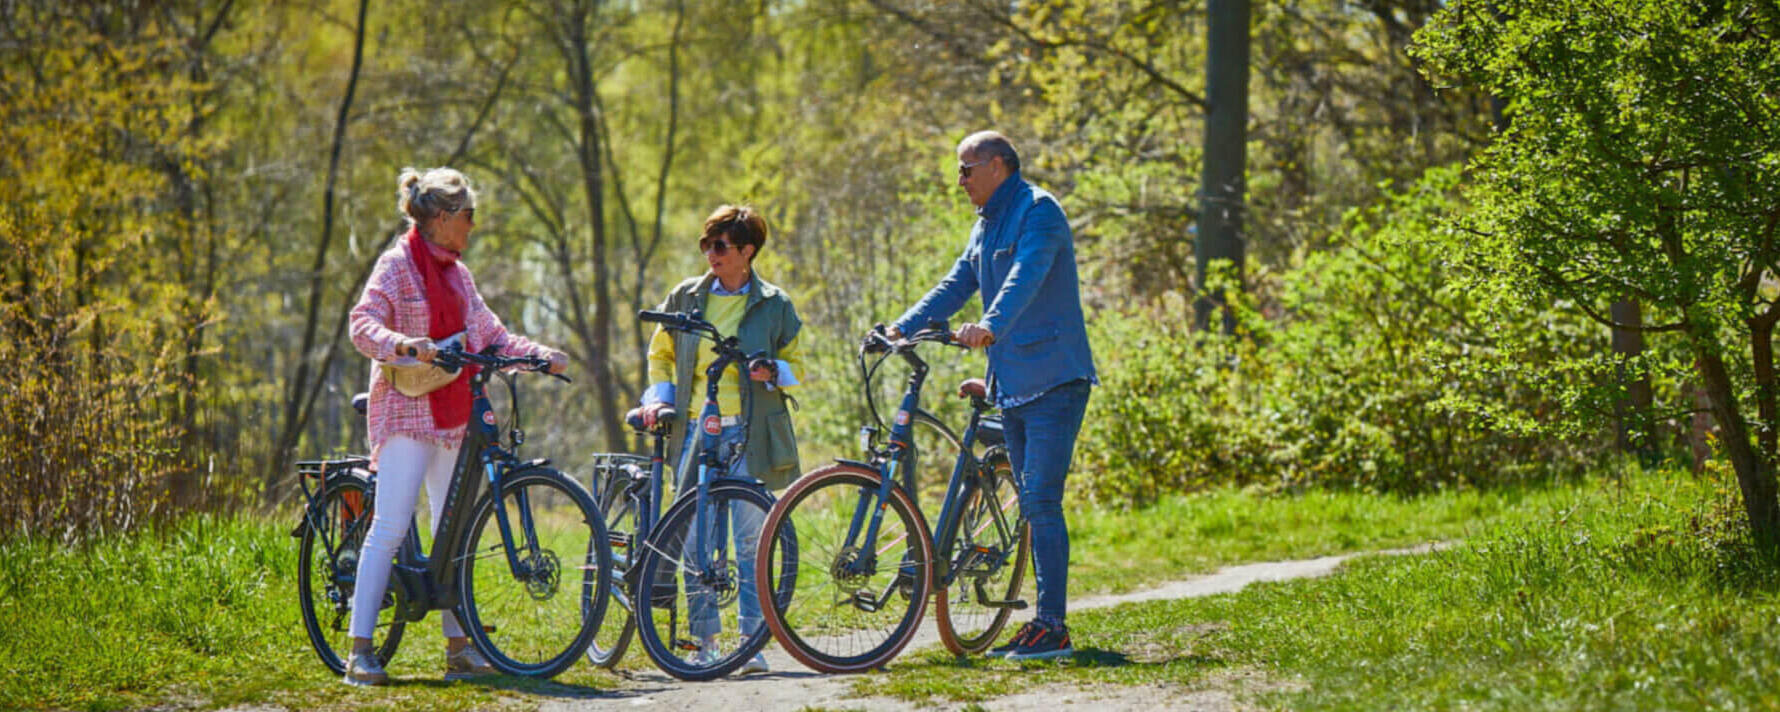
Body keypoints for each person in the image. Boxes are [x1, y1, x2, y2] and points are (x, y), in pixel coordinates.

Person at [342, 167, 569, 686]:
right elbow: (363, 323)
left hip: (453, 414)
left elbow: (492, 335)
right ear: (443, 218)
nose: (473, 225)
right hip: (406, 410)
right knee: (392, 525)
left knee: (455, 532)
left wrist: (539, 356)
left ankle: (458, 649)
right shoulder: (397, 265)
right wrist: (401, 344)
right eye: (469, 215)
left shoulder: (458, 274)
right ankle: (359, 650)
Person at [889, 131, 1096, 662]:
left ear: (999, 166)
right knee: (1030, 503)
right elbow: (956, 283)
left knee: (1041, 501)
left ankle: (1052, 627)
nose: (959, 180)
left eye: (966, 169)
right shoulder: (984, 224)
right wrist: (899, 328)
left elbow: (1024, 278)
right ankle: (1038, 624)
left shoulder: (1038, 211)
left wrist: (989, 325)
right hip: (1013, 382)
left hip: (1054, 379)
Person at [634, 204, 805, 675]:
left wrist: (774, 371)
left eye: (721, 246)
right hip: (694, 430)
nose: (711, 254)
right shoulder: (685, 296)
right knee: (697, 540)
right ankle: (706, 643)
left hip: (751, 433)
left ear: (747, 252)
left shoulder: (775, 304)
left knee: (753, 541)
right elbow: (661, 355)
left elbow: (797, 364)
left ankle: (751, 642)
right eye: (706, 245)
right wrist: (659, 400)